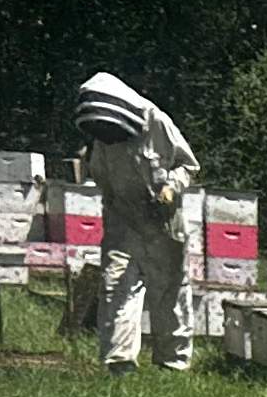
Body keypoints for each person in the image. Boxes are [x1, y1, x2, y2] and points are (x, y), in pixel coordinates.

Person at [73, 71, 200, 371]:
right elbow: (102, 177)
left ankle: (172, 363)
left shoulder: (156, 122)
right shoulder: (102, 133)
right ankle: (119, 362)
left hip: (162, 221)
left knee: (168, 290)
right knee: (115, 287)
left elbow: (188, 165)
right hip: (121, 221)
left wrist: (170, 188)